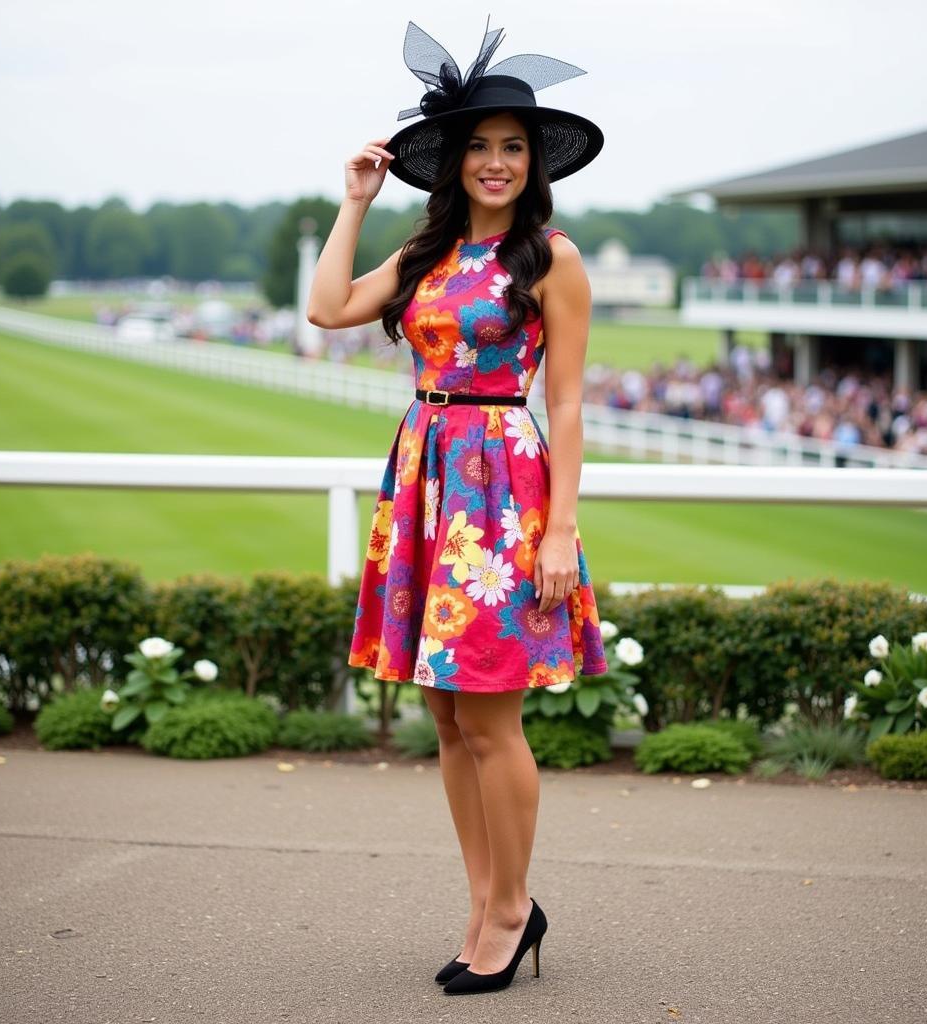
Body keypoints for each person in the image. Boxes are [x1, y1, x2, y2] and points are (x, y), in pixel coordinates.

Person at [306, 19, 609, 996]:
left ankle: (514, 908)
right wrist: (353, 200)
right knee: (445, 716)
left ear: (534, 162)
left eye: (512, 146)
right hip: (424, 473)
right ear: (450, 160)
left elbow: (563, 401)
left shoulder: (551, 259)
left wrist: (559, 527)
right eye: (479, 146)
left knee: (491, 718)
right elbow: (326, 307)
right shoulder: (426, 250)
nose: (495, 162)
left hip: (498, 489)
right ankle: (485, 904)